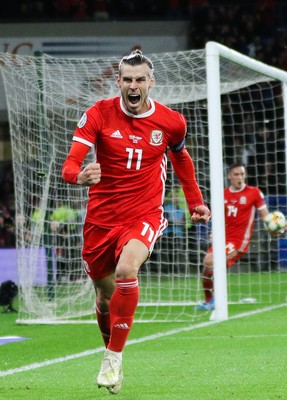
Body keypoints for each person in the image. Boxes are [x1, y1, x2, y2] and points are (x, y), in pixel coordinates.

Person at [62, 49, 211, 394]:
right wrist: (78, 176)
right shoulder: (98, 114)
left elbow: (181, 159)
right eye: (127, 79)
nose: (133, 85)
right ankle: (111, 352)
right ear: (118, 82)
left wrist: (196, 202)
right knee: (103, 298)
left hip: (145, 213)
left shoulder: (171, 122)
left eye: (140, 79)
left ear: (150, 82)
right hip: (101, 219)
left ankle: (112, 360)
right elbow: (70, 164)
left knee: (128, 270)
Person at [197, 163, 270, 311]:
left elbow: (265, 215)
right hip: (222, 239)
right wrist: (214, 232)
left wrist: (275, 226)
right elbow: (218, 217)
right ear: (229, 176)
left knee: (211, 262)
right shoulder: (222, 194)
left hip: (239, 242)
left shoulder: (254, 193)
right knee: (207, 270)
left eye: (242, 174)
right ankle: (209, 300)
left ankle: (218, 300)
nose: (240, 178)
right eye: (236, 174)